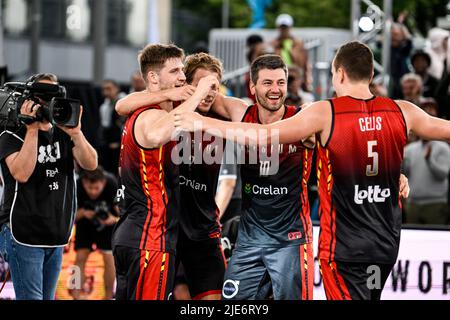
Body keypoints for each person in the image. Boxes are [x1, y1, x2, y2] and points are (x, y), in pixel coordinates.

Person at [174, 41, 445, 300]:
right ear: (252, 86)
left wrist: (389, 173)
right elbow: (202, 100)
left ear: (339, 73)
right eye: (267, 83)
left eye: (281, 82)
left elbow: (268, 137)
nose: (275, 89)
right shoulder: (240, 111)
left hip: (299, 240)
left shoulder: (311, 116)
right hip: (257, 238)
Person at [115, 52, 227, 300]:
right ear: (186, 86)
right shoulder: (166, 111)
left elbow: (250, 113)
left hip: (198, 227)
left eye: (214, 87)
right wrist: (176, 94)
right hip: (158, 229)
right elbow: (121, 105)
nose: (208, 92)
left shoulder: (219, 112)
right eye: (200, 85)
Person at [0, 73, 97, 300]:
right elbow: (21, 174)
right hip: (23, 233)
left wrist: (76, 133)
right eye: (42, 98)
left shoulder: (63, 131)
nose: (47, 105)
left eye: (52, 97)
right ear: (29, 100)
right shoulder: (10, 134)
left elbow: (91, 164)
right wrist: (32, 129)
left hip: (55, 234)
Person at [70, 167, 119, 300]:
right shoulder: (77, 185)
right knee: (79, 258)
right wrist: (83, 213)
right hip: (84, 223)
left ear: (103, 183)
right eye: (89, 188)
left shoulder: (112, 183)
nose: (93, 192)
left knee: (109, 259)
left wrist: (112, 219)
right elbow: (69, 217)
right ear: (84, 182)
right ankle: (75, 295)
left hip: (107, 224)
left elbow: (123, 214)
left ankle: (109, 296)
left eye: (96, 188)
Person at [403, 102, 450, 225]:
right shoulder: (409, 149)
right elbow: (404, 173)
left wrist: (430, 160)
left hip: (435, 204)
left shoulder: (443, 147)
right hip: (413, 203)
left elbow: (443, 175)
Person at [271, 13, 311, 92]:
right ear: (278, 28)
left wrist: (306, 82)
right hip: (279, 78)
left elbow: (305, 64)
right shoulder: (273, 44)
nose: (284, 30)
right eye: (282, 27)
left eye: (285, 27)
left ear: (290, 27)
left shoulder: (298, 44)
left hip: (296, 78)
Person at [98, 79, 126, 175]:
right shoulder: (104, 107)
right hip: (110, 141)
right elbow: (105, 125)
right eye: (104, 89)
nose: (106, 92)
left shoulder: (125, 101)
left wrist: (119, 141)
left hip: (124, 140)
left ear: (117, 88)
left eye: (109, 89)